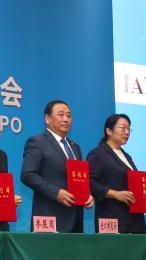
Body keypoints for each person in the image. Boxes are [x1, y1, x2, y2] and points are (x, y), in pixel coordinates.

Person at [20, 100, 94, 233]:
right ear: (47, 119)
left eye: (69, 116)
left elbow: (79, 179)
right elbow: (27, 174)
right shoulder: (37, 142)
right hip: (50, 218)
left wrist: (87, 195)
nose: (66, 119)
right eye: (61, 115)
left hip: (76, 220)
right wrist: (56, 193)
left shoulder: (75, 147)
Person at [87, 113, 146, 234]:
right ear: (109, 131)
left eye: (129, 129)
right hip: (112, 218)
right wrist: (115, 194)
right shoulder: (98, 154)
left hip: (135, 219)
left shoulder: (127, 156)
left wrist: (145, 194)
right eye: (123, 128)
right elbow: (90, 183)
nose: (127, 132)